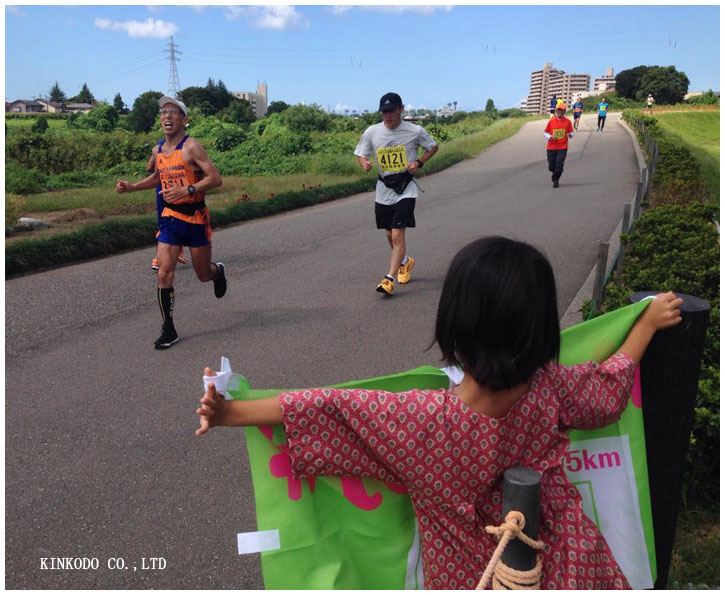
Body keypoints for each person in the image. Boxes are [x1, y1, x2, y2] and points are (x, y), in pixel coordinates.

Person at [195, 235, 683, 590]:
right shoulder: (551, 387)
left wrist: (227, 412)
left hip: (469, 577)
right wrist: (645, 323)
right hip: (571, 566)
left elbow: (323, 407)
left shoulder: (418, 420)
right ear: (540, 333)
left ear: (454, 325)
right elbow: (609, 389)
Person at [116, 96, 227, 349]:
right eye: (163, 112)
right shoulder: (158, 150)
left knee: (201, 274)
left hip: (196, 217)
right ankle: (169, 329)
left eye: (174, 112)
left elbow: (215, 179)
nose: (167, 116)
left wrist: (188, 190)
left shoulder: (192, 148)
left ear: (184, 120)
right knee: (164, 273)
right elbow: (158, 176)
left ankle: (216, 272)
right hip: (170, 218)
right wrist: (133, 187)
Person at [353, 92, 438, 295]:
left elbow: (433, 146)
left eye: (392, 111)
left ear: (401, 109)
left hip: (406, 188)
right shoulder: (372, 132)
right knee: (389, 233)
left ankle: (389, 279)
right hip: (383, 189)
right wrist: (363, 162)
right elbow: (360, 153)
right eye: (384, 111)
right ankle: (405, 261)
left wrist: (419, 162)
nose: (388, 115)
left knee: (398, 233)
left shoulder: (415, 131)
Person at [146, 149, 187, 271]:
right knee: (176, 219)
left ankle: (171, 252)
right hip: (178, 187)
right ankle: (162, 257)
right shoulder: (188, 145)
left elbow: (149, 168)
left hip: (164, 188)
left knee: (168, 220)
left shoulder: (160, 146)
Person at [543, 103, 574, 188]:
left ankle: (556, 180)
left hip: (563, 147)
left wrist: (570, 135)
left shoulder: (568, 122)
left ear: (564, 111)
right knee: (551, 166)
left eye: (561, 110)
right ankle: (554, 173)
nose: (560, 112)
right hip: (551, 147)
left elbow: (571, 132)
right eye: (558, 110)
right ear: (556, 111)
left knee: (559, 166)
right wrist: (550, 137)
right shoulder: (551, 121)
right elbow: (545, 133)